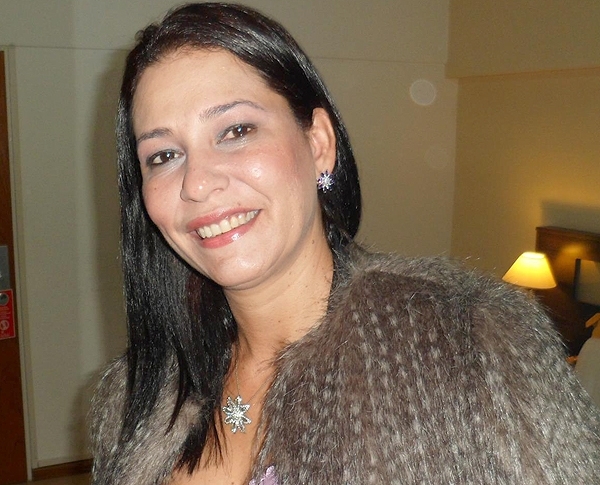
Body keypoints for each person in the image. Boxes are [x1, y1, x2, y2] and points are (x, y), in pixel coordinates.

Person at [89, 3, 600, 484]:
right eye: (163, 156)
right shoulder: (135, 399)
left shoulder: (470, 354)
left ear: (319, 143)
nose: (197, 183)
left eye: (236, 130)